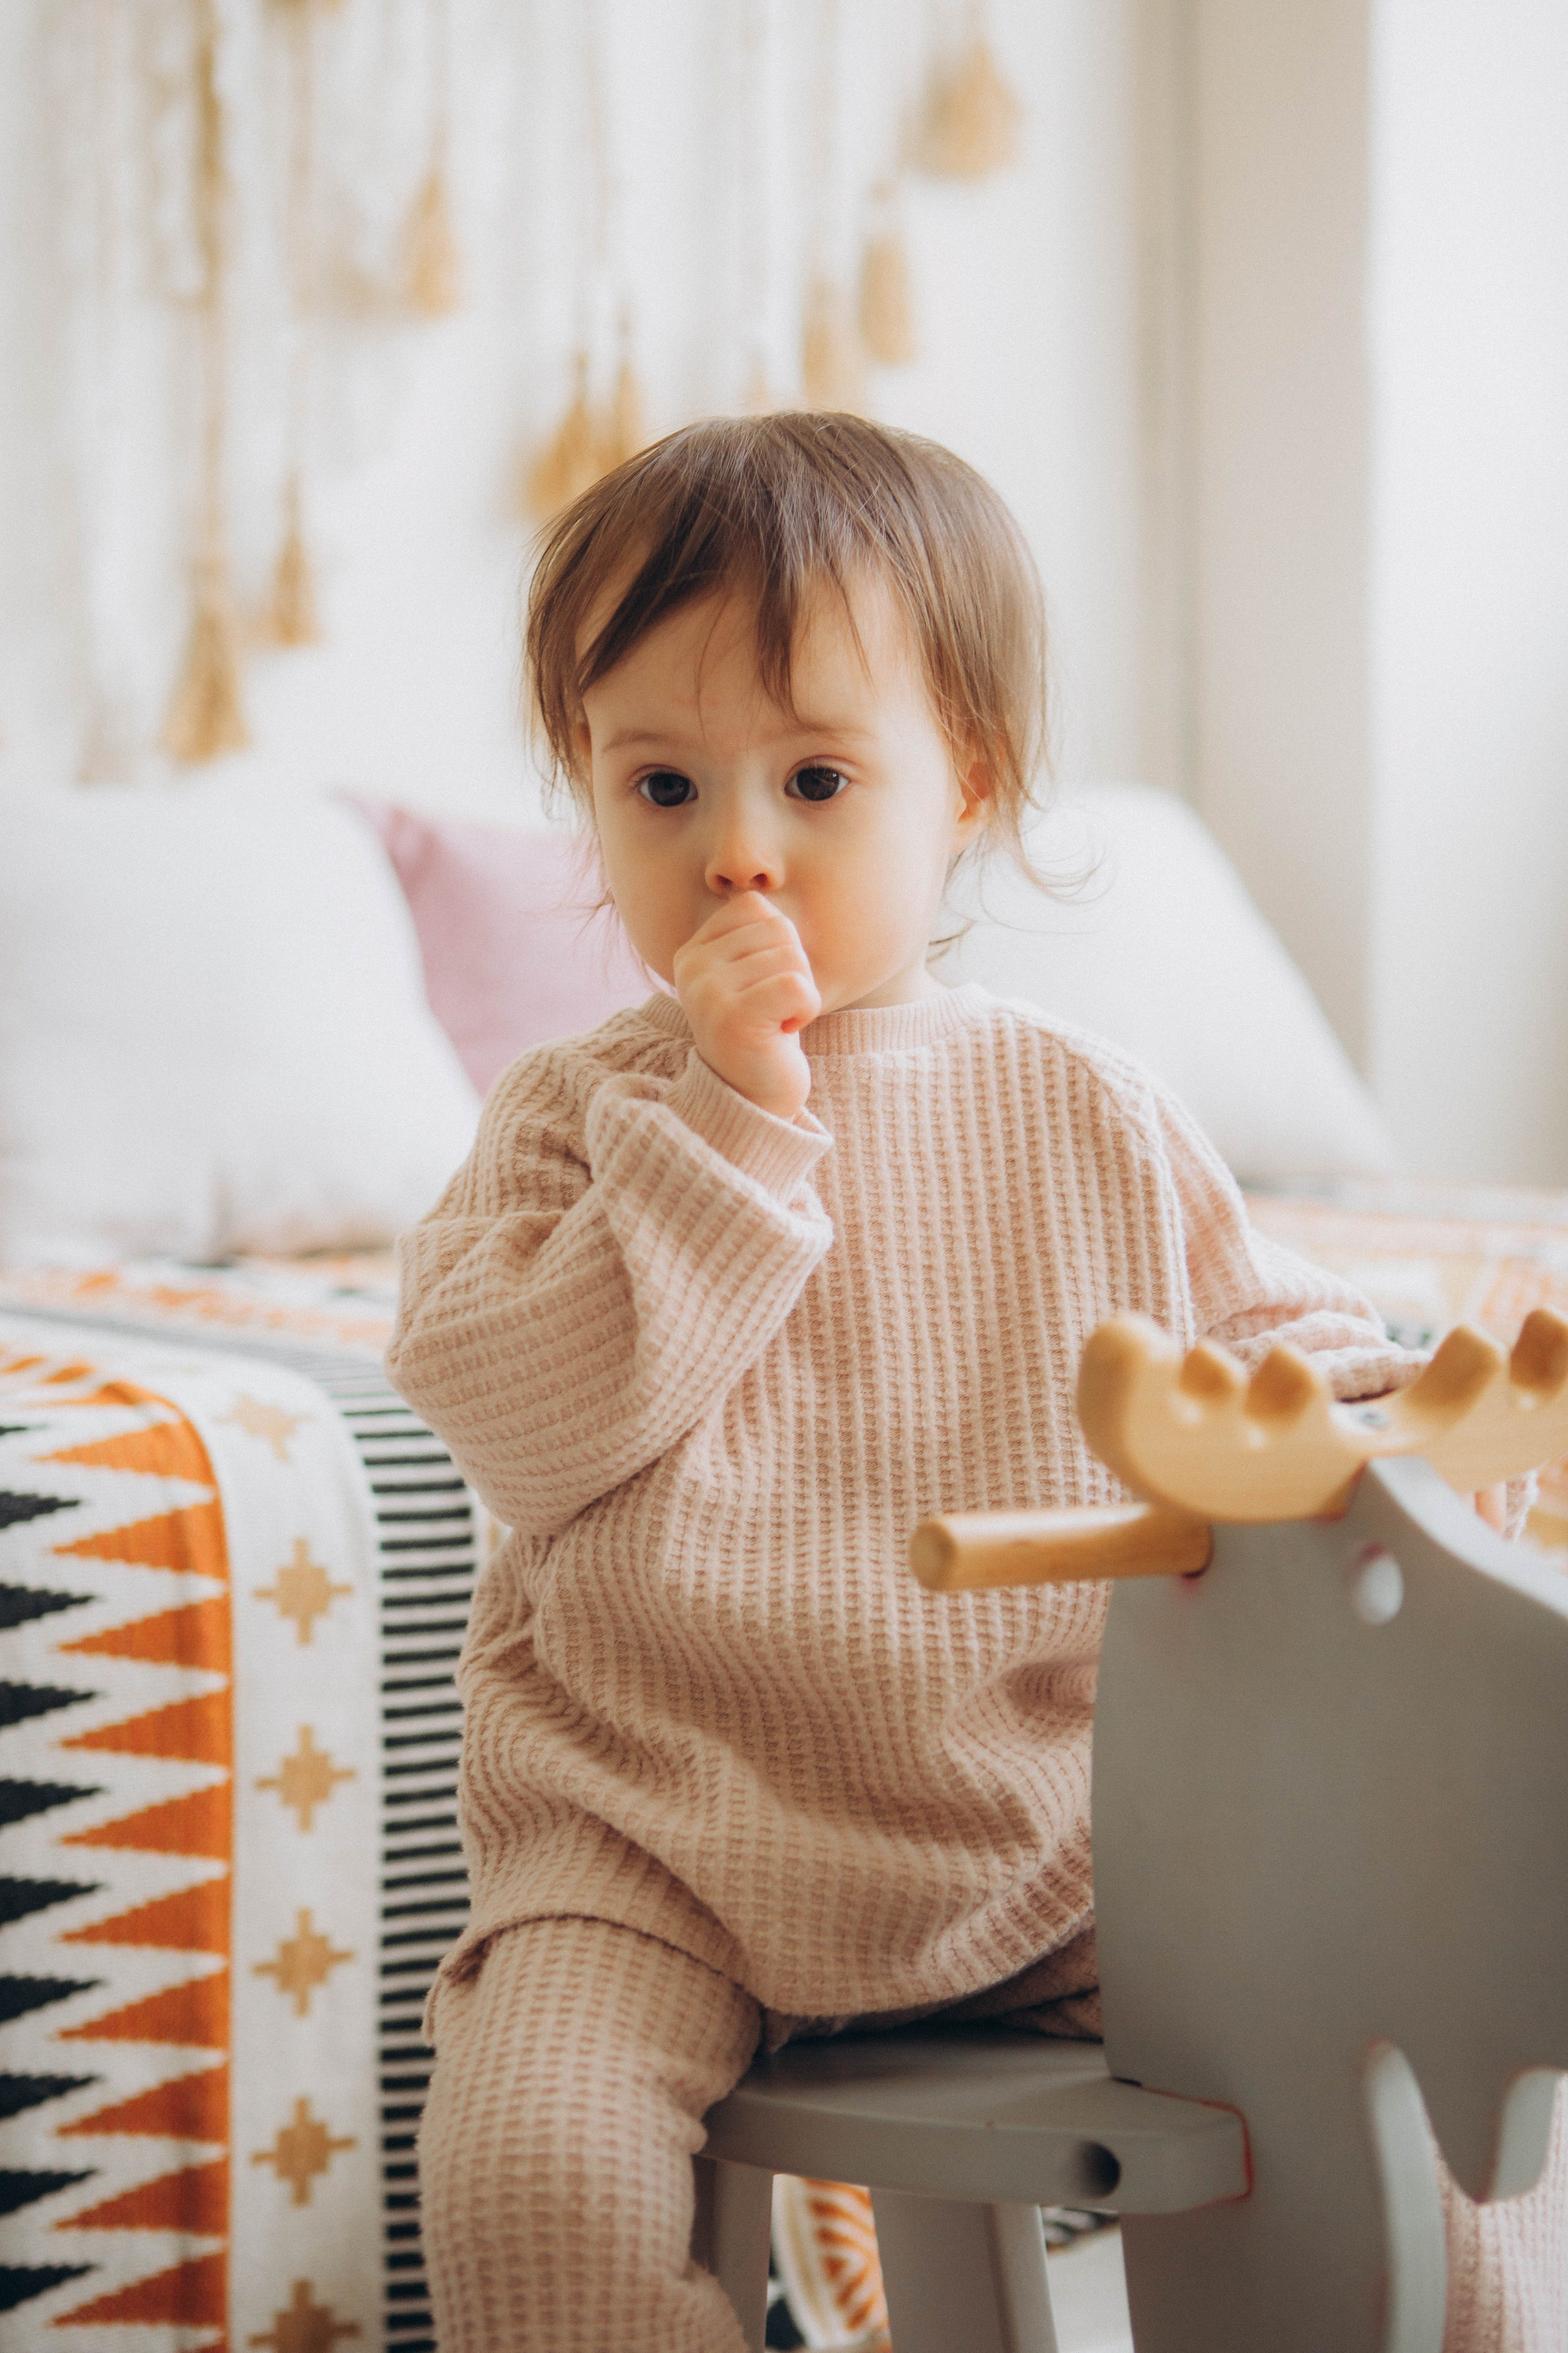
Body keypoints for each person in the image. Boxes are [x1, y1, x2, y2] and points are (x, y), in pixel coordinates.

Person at [386, 412, 1549, 2351]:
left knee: (1388, 2083)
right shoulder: (573, 1123)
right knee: (529, 2187)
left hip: (1049, 1831)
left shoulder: (1079, 1103)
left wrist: (1398, 1415)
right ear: (585, 798)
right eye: (660, 784)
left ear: (969, 786)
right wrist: (726, 1132)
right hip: (653, 1835)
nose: (732, 849)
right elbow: (517, 1412)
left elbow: (1277, 1361)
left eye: (817, 778)